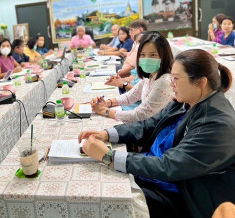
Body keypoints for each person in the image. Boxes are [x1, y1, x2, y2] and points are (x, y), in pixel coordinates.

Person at [79, 49, 235, 218]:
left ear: (200, 82)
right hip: (155, 172)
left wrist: (108, 156)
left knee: (101, 197)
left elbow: (169, 166)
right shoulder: (185, 101)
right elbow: (149, 125)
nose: (171, 84)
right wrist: (107, 134)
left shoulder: (218, 125)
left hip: (179, 194)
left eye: (176, 79)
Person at [92, 31, 174, 123]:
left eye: (153, 55)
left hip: (154, 132)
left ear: (164, 56)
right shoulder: (150, 75)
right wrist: (106, 103)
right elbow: (130, 97)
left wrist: (104, 111)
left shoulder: (163, 81)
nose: (146, 59)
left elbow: (139, 115)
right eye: (142, 55)